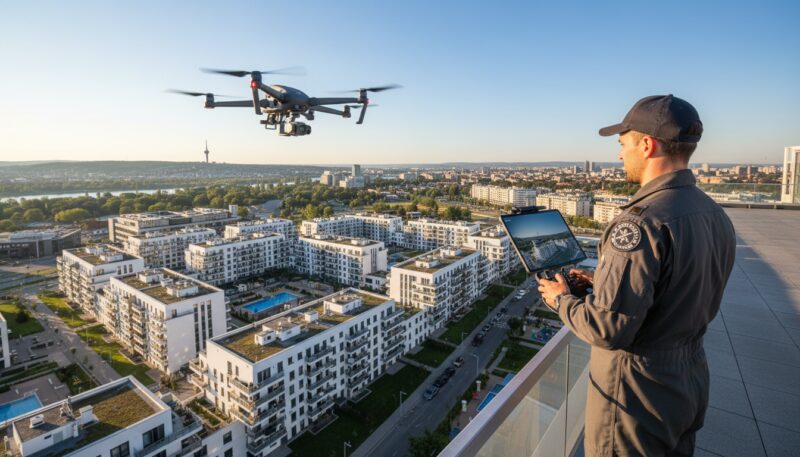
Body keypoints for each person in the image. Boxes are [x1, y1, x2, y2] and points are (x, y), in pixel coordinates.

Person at [537, 95, 736, 457]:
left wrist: (560, 299)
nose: (619, 155)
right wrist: (605, 284)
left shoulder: (640, 223)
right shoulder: (711, 212)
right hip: (687, 381)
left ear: (647, 144)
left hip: (638, 396)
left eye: (622, 144)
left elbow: (608, 330)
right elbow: (680, 287)